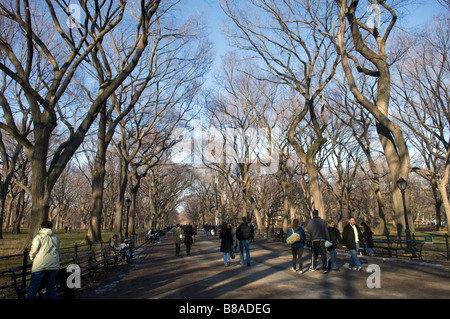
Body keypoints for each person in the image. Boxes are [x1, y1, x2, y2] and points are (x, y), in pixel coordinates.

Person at [28, 220, 60, 299]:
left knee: (33, 287)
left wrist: (31, 256)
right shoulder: (56, 237)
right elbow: (58, 250)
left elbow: (34, 249)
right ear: (51, 227)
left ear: (41, 227)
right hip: (54, 263)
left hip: (41, 264)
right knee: (51, 286)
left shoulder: (38, 236)